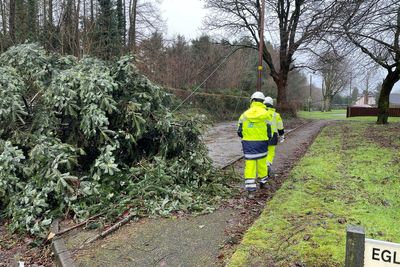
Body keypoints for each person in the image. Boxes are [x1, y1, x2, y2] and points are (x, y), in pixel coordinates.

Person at [237, 92, 272, 195]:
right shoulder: (267, 114)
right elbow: (270, 132)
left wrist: (247, 136)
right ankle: (263, 182)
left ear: (252, 100)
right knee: (262, 163)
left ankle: (251, 189)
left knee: (250, 164)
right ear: (263, 101)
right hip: (262, 143)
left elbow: (239, 131)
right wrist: (266, 139)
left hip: (248, 144)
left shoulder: (244, 115)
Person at [263, 96, 284, 174]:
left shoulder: (261, 113)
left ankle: (262, 166)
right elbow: (280, 126)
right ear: (272, 104)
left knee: (263, 151)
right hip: (273, 136)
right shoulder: (276, 115)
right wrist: (282, 135)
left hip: (262, 135)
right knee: (271, 152)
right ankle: (268, 164)